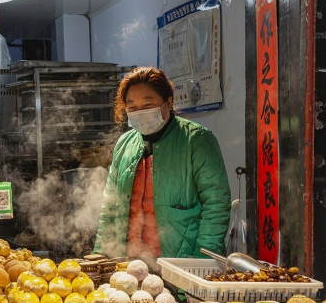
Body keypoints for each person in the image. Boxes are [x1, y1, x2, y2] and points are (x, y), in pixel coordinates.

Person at [93, 66, 231, 266]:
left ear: (168, 102)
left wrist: (202, 262)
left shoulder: (197, 140)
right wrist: (101, 255)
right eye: (132, 108)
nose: (140, 112)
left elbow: (216, 205)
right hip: (129, 263)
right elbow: (110, 207)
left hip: (181, 263)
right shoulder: (124, 144)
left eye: (148, 104)